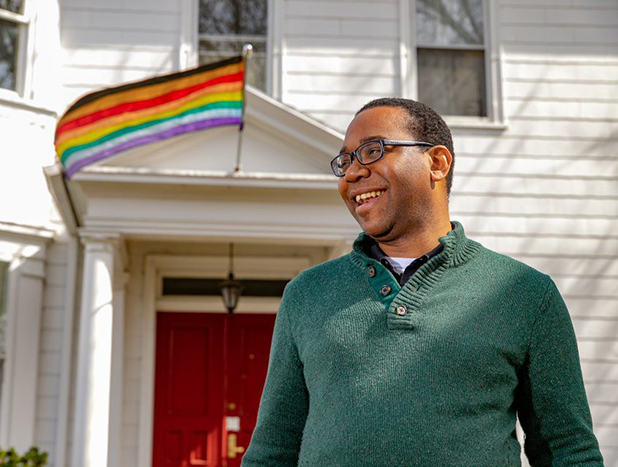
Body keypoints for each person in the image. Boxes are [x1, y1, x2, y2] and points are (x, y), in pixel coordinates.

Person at [241, 98, 604, 466]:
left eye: (372, 150)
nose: (352, 173)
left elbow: (568, 450)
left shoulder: (524, 294)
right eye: (346, 160)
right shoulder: (306, 294)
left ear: (437, 163)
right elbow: (273, 449)